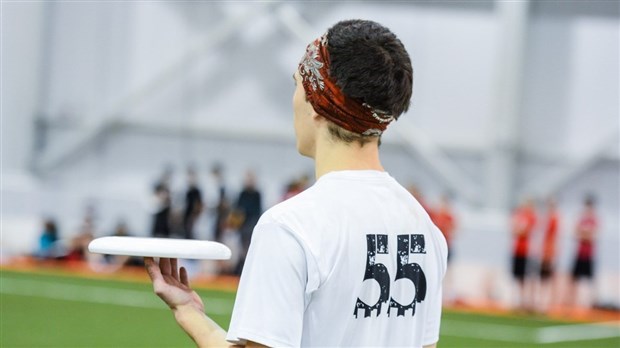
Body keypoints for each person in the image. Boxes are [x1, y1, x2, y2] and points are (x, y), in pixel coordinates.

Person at [145, 19, 447, 347]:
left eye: (297, 85)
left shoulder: (291, 227)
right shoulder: (426, 231)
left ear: (317, 103)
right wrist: (190, 310)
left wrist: (188, 314)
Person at [568, 194, 598, 309]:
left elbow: (592, 236)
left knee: (589, 279)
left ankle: (588, 303)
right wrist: (584, 234)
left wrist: (584, 234)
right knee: (574, 278)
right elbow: (575, 233)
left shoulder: (594, 219)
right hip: (579, 252)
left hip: (589, 253)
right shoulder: (580, 219)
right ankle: (572, 303)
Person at [510, 198, 537, 311]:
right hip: (518, 250)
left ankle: (528, 301)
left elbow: (523, 231)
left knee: (528, 277)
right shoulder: (520, 216)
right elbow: (514, 230)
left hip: (527, 251)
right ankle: (520, 301)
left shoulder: (531, 217)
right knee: (518, 276)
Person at [537, 197, 560, 312]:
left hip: (549, 253)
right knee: (542, 279)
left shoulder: (553, 219)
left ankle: (546, 304)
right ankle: (541, 303)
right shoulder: (547, 219)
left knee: (547, 279)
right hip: (544, 252)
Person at [183, 166, 204, 240]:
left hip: (194, 219)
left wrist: (194, 217)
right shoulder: (186, 191)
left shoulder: (197, 192)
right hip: (185, 218)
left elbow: (199, 206)